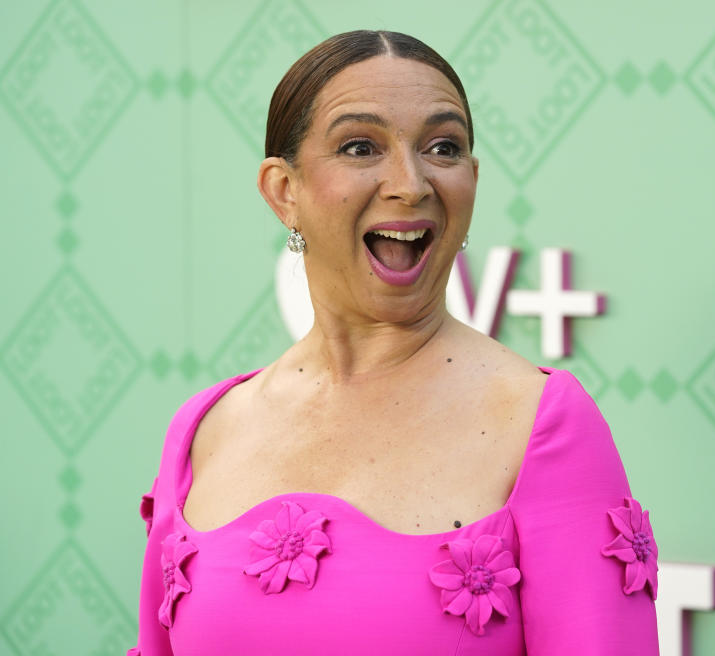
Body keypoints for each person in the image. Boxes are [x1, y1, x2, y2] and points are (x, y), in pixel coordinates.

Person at [128, 30, 659, 655]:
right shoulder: (205, 429)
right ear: (283, 191)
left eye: (444, 147)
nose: (411, 183)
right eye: (360, 147)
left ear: (473, 179)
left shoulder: (541, 422)